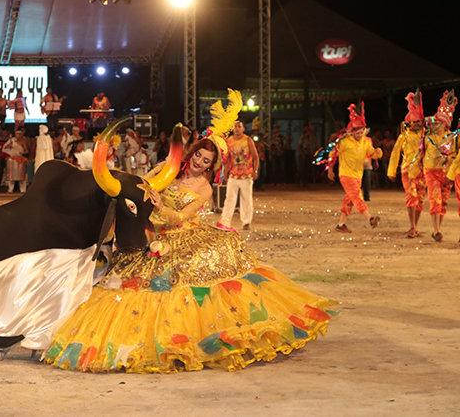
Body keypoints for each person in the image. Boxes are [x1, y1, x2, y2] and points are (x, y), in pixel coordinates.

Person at [44, 91, 337, 373]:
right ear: (193, 153)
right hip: (151, 231)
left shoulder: (205, 189)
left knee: (184, 273)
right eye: (198, 156)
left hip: (182, 232)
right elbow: (139, 185)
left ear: (212, 167)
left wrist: (161, 206)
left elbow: (181, 217)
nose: (199, 162)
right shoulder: (166, 168)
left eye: (206, 161)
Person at [327, 102, 382, 233]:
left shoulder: (365, 142)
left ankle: (341, 224)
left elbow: (372, 153)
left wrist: (378, 153)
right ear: (352, 132)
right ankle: (370, 218)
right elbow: (332, 155)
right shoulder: (344, 142)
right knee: (357, 197)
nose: (360, 135)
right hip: (346, 175)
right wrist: (330, 169)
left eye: (362, 132)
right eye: (357, 133)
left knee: (349, 200)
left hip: (358, 175)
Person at [387, 89, 427, 238]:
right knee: (412, 197)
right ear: (408, 123)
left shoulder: (426, 136)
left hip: (423, 172)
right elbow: (395, 153)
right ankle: (412, 227)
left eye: (418, 122)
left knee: (421, 201)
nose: (416, 124)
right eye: (413, 122)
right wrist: (391, 171)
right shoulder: (404, 136)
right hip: (408, 171)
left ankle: (415, 227)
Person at [423, 90, 457, 242]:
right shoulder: (428, 138)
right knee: (434, 199)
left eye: (437, 123)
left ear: (445, 124)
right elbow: (422, 155)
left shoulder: (452, 138)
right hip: (431, 171)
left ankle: (438, 229)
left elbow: (455, 155)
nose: (435, 125)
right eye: (434, 123)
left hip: (447, 173)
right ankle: (436, 230)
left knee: (443, 201)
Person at [219, 120, 259, 231]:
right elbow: (228, 160)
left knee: (246, 199)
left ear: (243, 128)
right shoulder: (229, 141)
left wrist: (255, 171)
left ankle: (246, 222)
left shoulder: (248, 140)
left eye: (239, 126)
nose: (237, 129)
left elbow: (256, 157)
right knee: (229, 199)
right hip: (233, 175)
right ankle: (225, 220)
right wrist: (225, 173)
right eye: (235, 127)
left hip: (246, 175)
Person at [3, 127, 30, 193]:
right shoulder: (12, 140)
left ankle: (23, 190)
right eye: (17, 134)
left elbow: (26, 151)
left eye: (19, 134)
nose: (18, 136)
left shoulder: (23, 141)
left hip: (20, 158)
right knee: (11, 175)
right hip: (12, 158)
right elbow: (4, 148)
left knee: (21, 175)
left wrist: (22, 152)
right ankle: (10, 190)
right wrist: (10, 145)